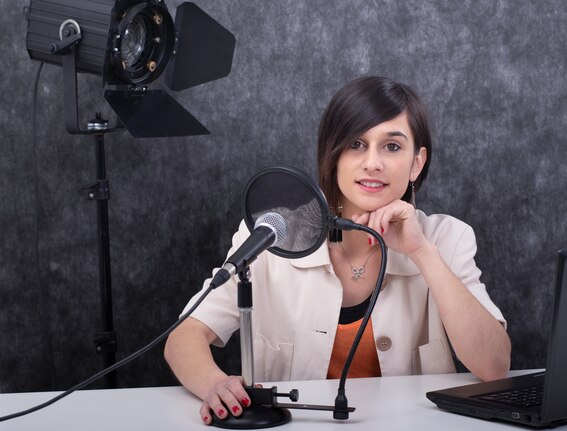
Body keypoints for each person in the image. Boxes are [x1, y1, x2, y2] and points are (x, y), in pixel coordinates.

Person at [164, 76, 511, 425]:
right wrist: (216, 385)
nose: (373, 163)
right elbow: (184, 337)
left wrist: (422, 252)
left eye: (392, 146)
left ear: (416, 163)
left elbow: (494, 365)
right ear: (332, 154)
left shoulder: (448, 238)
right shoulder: (271, 236)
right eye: (356, 144)